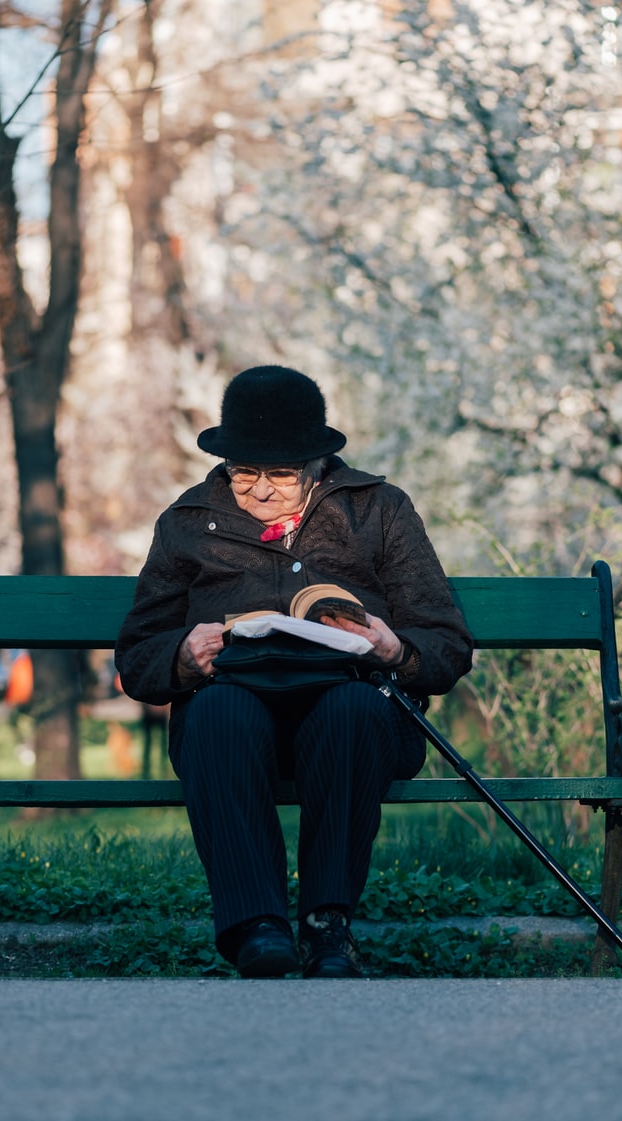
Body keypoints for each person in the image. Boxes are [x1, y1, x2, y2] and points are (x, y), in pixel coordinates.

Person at [115, 365, 473, 978]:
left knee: (353, 713)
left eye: (278, 473)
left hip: (350, 704)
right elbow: (138, 655)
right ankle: (257, 927)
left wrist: (394, 651)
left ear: (315, 464)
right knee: (219, 715)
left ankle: (326, 927)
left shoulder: (378, 510)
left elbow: (445, 642)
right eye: (243, 471)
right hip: (235, 706)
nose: (257, 490)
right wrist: (181, 654)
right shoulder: (186, 521)